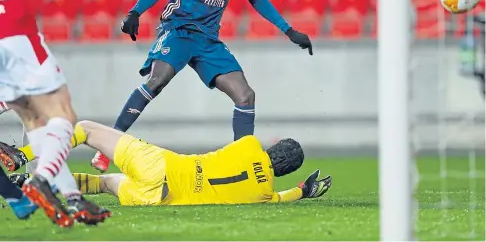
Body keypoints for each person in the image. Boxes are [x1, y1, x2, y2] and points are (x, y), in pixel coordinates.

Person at [91, 0, 314, 173]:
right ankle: (107, 147)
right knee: (156, 81)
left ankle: (240, 166)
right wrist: (135, 12)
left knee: (245, 96)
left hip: (208, 41)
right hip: (179, 31)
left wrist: (288, 30)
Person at [0, 0, 110, 227]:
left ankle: (74, 200)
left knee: (35, 122)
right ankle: (41, 181)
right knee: (62, 115)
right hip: (12, 29)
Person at [1, 121, 332, 206]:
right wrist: (303, 191)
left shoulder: (250, 145)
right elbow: (280, 197)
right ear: (286, 171)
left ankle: (23, 157)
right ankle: (31, 187)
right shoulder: (265, 194)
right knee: (104, 184)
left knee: (85, 129)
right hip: (158, 199)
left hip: (160, 166)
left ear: (275, 147)